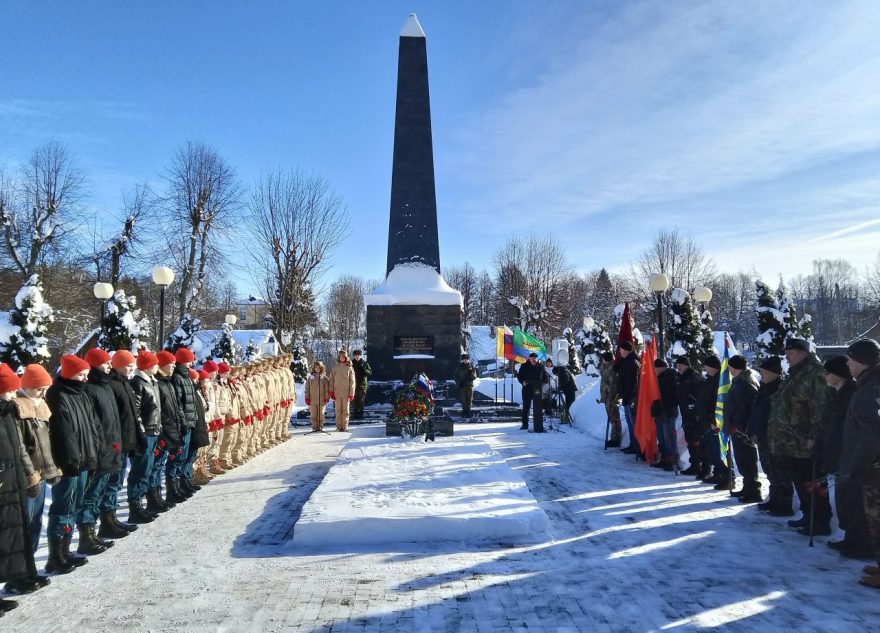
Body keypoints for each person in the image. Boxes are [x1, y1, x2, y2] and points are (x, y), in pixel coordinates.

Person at [766, 338, 829, 522]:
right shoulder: (796, 374)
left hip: (805, 442)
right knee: (802, 483)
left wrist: (815, 436)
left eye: (791, 354)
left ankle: (819, 520)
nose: (788, 358)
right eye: (786, 355)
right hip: (791, 443)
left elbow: (820, 409)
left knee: (812, 483)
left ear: (804, 353)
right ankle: (808, 515)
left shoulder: (814, 375)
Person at [834, 339, 880, 588]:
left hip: (873, 469)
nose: (848, 364)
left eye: (850, 359)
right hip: (871, 466)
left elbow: (872, 433)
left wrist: (859, 466)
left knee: (877, 519)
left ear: (860, 361)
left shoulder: (870, 389)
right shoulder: (869, 384)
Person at [45, 354, 95, 574]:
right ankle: (55, 555)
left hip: (83, 459)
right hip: (68, 462)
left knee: (75, 505)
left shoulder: (81, 394)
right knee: (62, 507)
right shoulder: (57, 395)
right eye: (81, 374)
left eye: (86, 375)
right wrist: (70, 460)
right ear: (68, 374)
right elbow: (63, 433)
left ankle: (65, 550)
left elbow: (91, 427)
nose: (85, 379)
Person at [0, 363, 45, 603]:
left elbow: (15, 448)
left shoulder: (6, 411)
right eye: (8, 390)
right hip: (3, 481)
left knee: (12, 534)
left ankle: (17, 577)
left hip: (11, 480)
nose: (12, 394)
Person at [81, 347, 130, 548]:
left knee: (109, 487)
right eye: (105, 362)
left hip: (114, 445)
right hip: (101, 449)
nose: (110, 365)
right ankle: (87, 533)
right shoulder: (90, 389)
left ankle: (108, 521)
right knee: (92, 494)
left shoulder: (106, 386)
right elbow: (93, 425)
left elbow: (114, 419)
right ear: (94, 364)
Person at [819, 356, 866, 556]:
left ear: (838, 375)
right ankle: (850, 538)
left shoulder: (851, 395)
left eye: (827, 372)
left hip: (849, 456)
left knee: (854, 503)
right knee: (844, 501)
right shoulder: (835, 394)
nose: (824, 376)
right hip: (838, 455)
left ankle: (861, 544)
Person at [13, 364, 62, 553]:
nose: (42, 393)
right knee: (26, 520)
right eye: (38, 389)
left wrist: (52, 467)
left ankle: (30, 563)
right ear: (26, 386)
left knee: (36, 520)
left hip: (41, 472)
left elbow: (46, 444)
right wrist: (29, 474)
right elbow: (20, 446)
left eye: (45, 389)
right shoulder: (17, 408)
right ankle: (21, 569)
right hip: (29, 475)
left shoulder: (41, 406)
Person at [105, 350, 146, 527]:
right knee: (112, 482)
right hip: (117, 441)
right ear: (118, 365)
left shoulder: (125, 384)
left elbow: (133, 414)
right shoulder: (112, 385)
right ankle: (108, 519)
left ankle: (113, 517)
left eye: (132, 365)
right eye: (128, 365)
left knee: (117, 480)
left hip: (127, 439)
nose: (131, 368)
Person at [128, 351, 164, 519]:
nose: (158, 366)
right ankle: (135, 505)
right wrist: (141, 431)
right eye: (155, 364)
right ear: (148, 366)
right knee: (140, 470)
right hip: (146, 432)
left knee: (149, 468)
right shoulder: (137, 383)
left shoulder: (152, 382)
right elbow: (136, 411)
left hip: (154, 430)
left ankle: (146, 501)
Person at [750, 356, 783, 509]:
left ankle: (782, 503)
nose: (761, 374)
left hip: (773, 437)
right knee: (769, 470)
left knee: (778, 472)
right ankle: (774, 499)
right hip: (763, 435)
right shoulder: (765, 386)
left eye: (764, 372)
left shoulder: (778, 388)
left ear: (774, 372)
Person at [725, 355, 760, 500]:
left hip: (742, 429)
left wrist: (739, 426)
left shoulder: (745, 383)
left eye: (730, 367)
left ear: (736, 367)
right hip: (737, 426)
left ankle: (753, 491)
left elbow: (746, 408)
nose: (729, 370)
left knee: (747, 460)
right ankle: (747, 488)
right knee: (742, 460)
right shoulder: (739, 381)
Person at [155, 351, 186, 505]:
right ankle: (155, 497)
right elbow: (159, 411)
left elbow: (176, 407)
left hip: (173, 427)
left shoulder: (168, 382)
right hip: (164, 429)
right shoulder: (160, 384)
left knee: (166, 461)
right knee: (157, 465)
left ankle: (172, 490)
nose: (174, 366)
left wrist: (181, 424)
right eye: (171, 363)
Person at [170, 347, 200, 497]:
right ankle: (174, 487)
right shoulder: (178, 378)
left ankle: (183, 482)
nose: (191, 363)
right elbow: (179, 404)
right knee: (178, 456)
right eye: (189, 360)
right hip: (184, 423)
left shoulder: (186, 377)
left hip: (190, 421)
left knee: (187, 454)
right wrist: (183, 422)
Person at [675, 356, 706, 476]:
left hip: (695, 414)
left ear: (687, 365)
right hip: (685, 413)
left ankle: (701, 466)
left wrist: (695, 407)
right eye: (677, 365)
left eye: (681, 365)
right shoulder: (680, 377)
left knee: (697, 440)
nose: (679, 368)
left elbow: (701, 395)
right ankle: (694, 465)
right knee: (690, 440)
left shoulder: (695, 377)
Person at [695, 355, 722, 485]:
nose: (705, 368)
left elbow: (717, 402)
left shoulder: (719, 381)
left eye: (706, 366)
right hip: (706, 419)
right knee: (711, 449)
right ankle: (717, 472)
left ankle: (723, 474)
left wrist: (712, 417)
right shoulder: (710, 379)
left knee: (718, 449)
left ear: (712, 367)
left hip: (714, 420)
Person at [651, 359, 679, 471]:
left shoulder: (670, 377)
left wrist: (665, 407)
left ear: (661, 367)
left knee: (669, 437)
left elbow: (672, 396)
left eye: (655, 368)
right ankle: (664, 458)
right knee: (661, 436)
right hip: (659, 411)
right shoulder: (659, 378)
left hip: (668, 412)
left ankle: (673, 460)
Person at [615, 341, 641, 453]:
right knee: (630, 422)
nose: (619, 351)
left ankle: (637, 446)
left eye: (621, 349)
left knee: (634, 422)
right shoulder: (626, 361)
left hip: (631, 397)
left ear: (626, 350)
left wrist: (627, 396)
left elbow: (632, 381)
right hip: (627, 396)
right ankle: (632, 444)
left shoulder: (632, 362)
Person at [516, 352, 548, 430]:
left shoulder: (541, 366)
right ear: (529, 359)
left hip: (537, 389)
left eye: (535, 358)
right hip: (527, 389)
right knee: (526, 407)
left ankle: (539, 424)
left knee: (538, 407)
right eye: (532, 358)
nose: (534, 359)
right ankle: (525, 425)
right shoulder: (524, 366)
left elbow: (545, 377)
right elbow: (519, 376)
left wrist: (543, 382)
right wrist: (522, 381)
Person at [598, 352, 622, 447]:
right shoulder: (604, 367)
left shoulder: (613, 368)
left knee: (614, 416)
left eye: (603, 359)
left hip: (613, 395)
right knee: (611, 417)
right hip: (606, 395)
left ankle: (616, 438)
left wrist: (609, 390)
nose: (602, 360)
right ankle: (613, 436)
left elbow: (614, 383)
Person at [329, 350, 356, 432]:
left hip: (346, 392)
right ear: (338, 357)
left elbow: (352, 381)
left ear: (346, 358)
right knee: (338, 410)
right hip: (337, 392)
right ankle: (338, 426)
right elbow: (331, 380)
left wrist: (351, 393)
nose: (342, 358)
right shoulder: (335, 368)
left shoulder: (349, 368)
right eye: (340, 357)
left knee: (346, 410)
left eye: (343, 357)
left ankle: (345, 426)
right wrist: (331, 391)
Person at [305, 361, 331, 431]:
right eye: (316, 368)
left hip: (321, 399)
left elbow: (327, 389)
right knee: (313, 414)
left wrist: (326, 397)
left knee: (321, 414)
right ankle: (314, 427)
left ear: (321, 368)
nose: (317, 369)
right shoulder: (310, 378)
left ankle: (320, 426)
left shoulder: (324, 378)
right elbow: (307, 388)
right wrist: (307, 397)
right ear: (314, 368)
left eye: (319, 368)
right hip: (313, 399)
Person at [454, 353, 478, 418]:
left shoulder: (471, 366)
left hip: (469, 386)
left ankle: (468, 411)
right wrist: (459, 383)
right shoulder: (459, 367)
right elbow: (455, 376)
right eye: (464, 359)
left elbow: (474, 377)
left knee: (469, 399)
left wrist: (471, 372)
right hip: (462, 386)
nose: (465, 360)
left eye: (466, 359)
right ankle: (464, 411)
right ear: (462, 360)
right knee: (463, 399)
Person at [351, 350, 372, 420]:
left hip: (362, 385)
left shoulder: (364, 363)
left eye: (358, 355)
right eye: (356, 355)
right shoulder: (351, 363)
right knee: (354, 400)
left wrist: (364, 370)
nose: (357, 356)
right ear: (354, 356)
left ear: (360, 356)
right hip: (353, 385)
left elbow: (370, 372)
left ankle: (361, 413)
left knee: (361, 400)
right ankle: (355, 413)